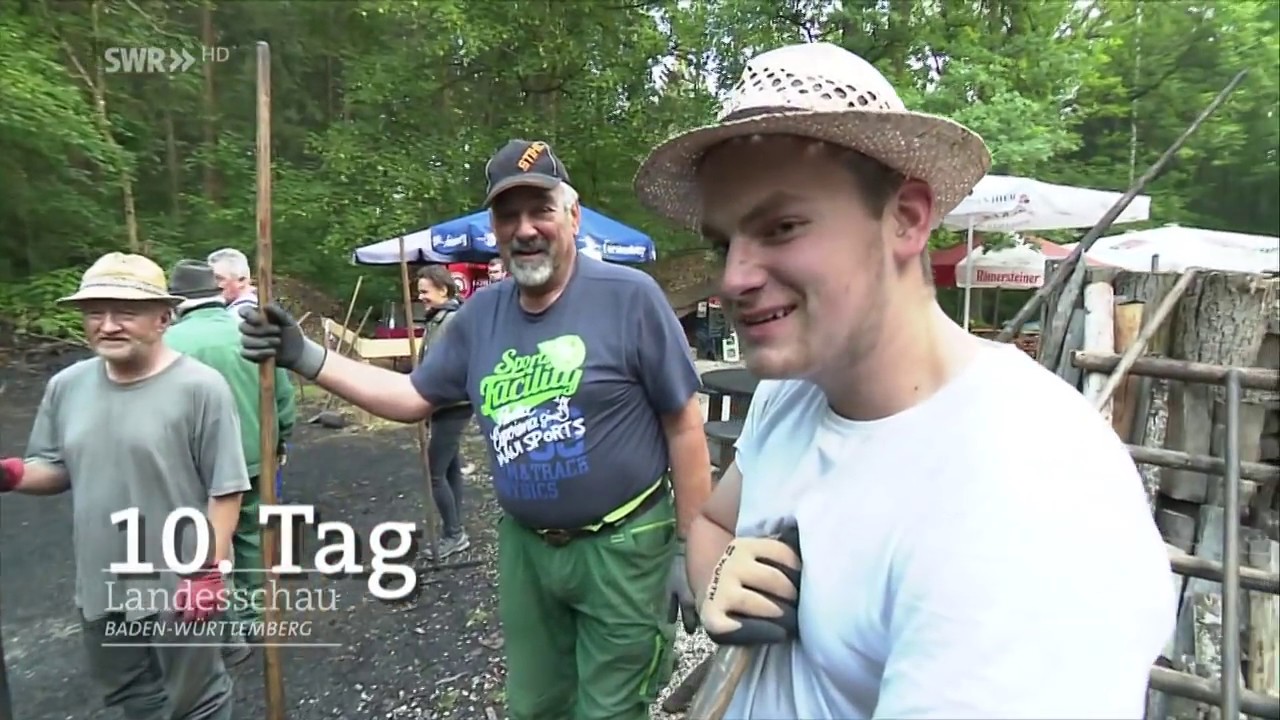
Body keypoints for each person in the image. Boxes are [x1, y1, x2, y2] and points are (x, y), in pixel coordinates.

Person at [632, 42, 1177, 718]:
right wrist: (718, 576)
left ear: (908, 218)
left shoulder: (1028, 499)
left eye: (782, 226)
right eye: (725, 243)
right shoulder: (796, 391)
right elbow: (715, 519)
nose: (735, 277)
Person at [237, 139, 712, 720]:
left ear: (573, 215)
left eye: (540, 210)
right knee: (535, 706)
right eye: (508, 215)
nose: (525, 229)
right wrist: (305, 356)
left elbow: (685, 423)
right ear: (494, 227)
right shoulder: (480, 317)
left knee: (611, 710)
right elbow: (412, 396)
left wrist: (692, 547)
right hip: (527, 551)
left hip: (624, 547)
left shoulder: (630, 297)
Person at [0, 252, 250, 719]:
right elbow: (55, 467)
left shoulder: (200, 387)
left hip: (178, 581)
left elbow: (226, 490)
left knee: (198, 701)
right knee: (128, 700)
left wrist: (205, 572)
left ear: (162, 318)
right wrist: (11, 474)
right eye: (95, 312)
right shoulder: (67, 385)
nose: (108, 325)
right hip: (100, 580)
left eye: (125, 312)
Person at [163, 259, 297, 662]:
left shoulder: (167, 344)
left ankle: (228, 626)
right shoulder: (252, 333)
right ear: (216, 292)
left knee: (205, 540)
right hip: (255, 454)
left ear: (177, 301)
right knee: (252, 535)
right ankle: (255, 616)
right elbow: (283, 397)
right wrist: (280, 439)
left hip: (195, 463)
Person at [415, 263, 472, 558]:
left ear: (444, 289)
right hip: (443, 405)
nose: (421, 297)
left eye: (425, 291)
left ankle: (454, 534)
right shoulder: (437, 319)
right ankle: (455, 525)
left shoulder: (451, 321)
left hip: (452, 405)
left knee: (433, 472)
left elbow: (448, 367)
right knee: (449, 468)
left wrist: (425, 397)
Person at [207, 248, 258, 316]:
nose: (211, 284)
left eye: (218, 278)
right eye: (210, 278)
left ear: (241, 280)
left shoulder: (240, 316)